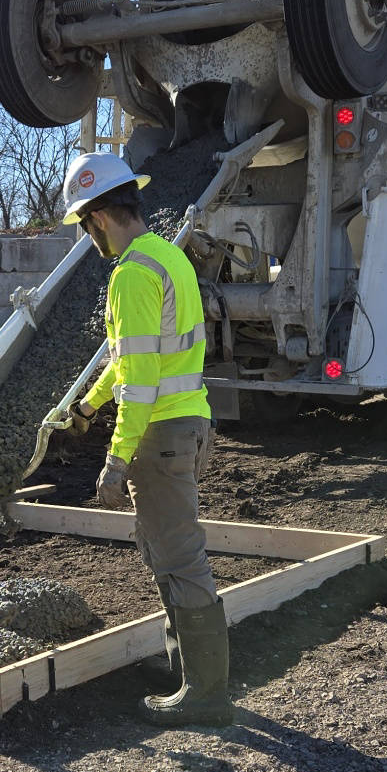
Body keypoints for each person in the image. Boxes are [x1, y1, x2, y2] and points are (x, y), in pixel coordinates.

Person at [57, 151, 229, 727]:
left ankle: (206, 694)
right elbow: (128, 362)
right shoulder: (165, 257)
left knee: (179, 557)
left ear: (99, 217)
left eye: (85, 225)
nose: (89, 237)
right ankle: (189, 679)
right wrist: (88, 402)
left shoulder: (131, 274)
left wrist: (115, 458)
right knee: (166, 551)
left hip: (160, 434)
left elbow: (142, 384)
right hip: (189, 424)